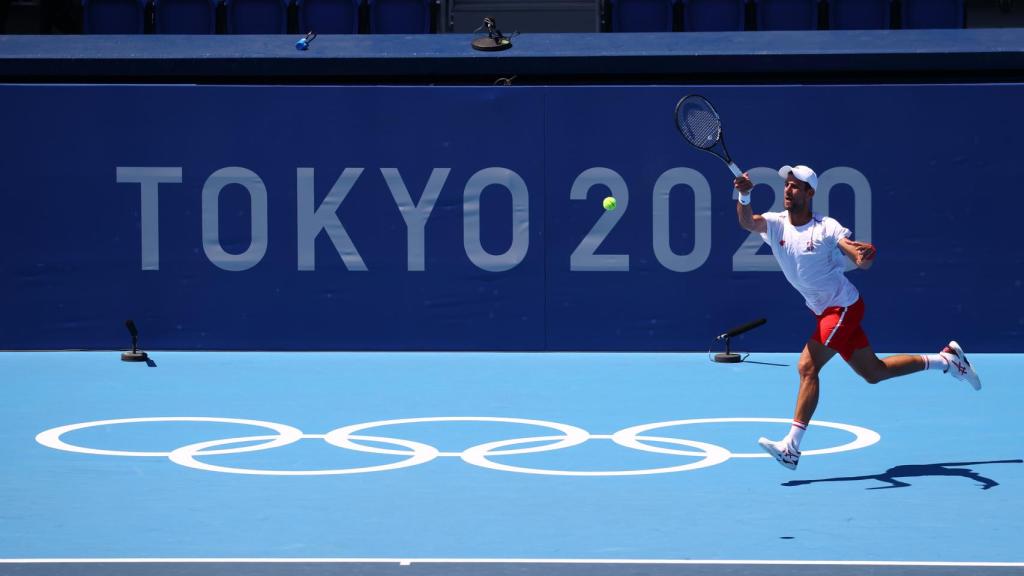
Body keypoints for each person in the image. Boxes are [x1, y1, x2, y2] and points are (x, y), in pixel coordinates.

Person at [734, 165, 981, 470]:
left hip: (843, 308)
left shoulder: (826, 227)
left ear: (809, 193)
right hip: (825, 311)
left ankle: (791, 448)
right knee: (874, 372)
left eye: (796, 186)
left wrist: (861, 256)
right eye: (787, 185)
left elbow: (853, 254)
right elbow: (747, 222)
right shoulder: (776, 224)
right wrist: (744, 195)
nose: (788, 190)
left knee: (808, 366)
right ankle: (947, 360)